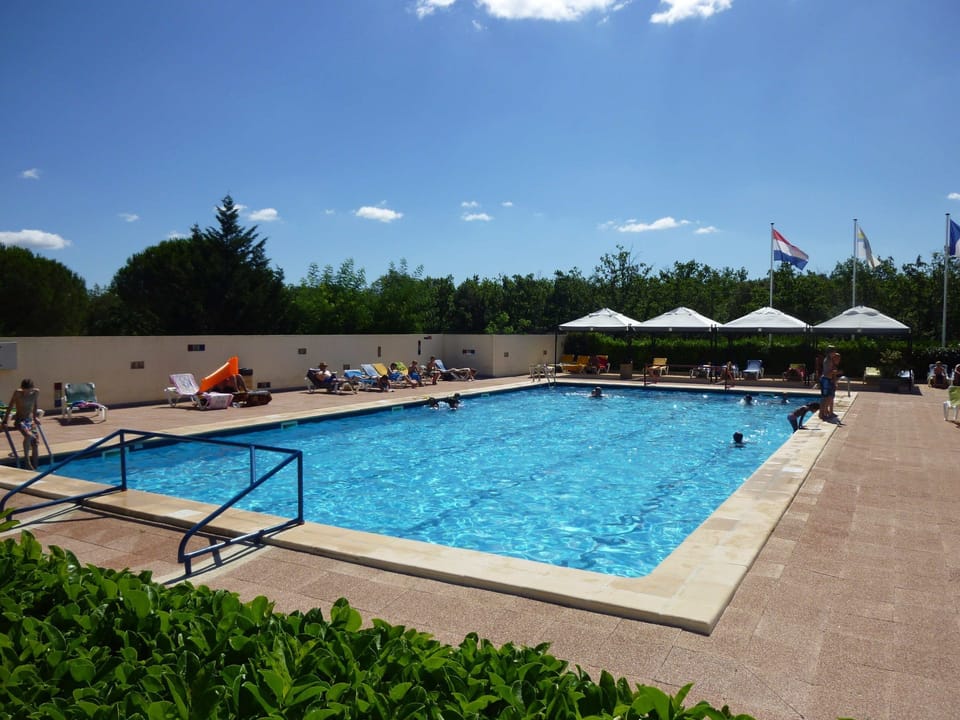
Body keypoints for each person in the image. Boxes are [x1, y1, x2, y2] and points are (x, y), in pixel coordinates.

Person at [3, 378, 41, 470]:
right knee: (28, 436)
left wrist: (35, 417)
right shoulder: (17, 393)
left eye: (28, 391)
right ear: (21, 388)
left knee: (35, 443)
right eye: (24, 391)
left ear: (32, 389)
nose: (26, 393)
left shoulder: (36, 392)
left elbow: (35, 405)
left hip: (29, 420)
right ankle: (27, 463)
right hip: (20, 420)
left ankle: (35, 466)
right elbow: (10, 406)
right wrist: (5, 420)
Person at [818, 347, 840, 420]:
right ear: (830, 352)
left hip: (828, 380)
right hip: (826, 380)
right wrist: (837, 372)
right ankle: (821, 414)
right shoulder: (828, 360)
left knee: (828, 397)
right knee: (825, 397)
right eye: (834, 352)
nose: (835, 353)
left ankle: (825, 412)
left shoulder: (829, 360)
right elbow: (827, 373)